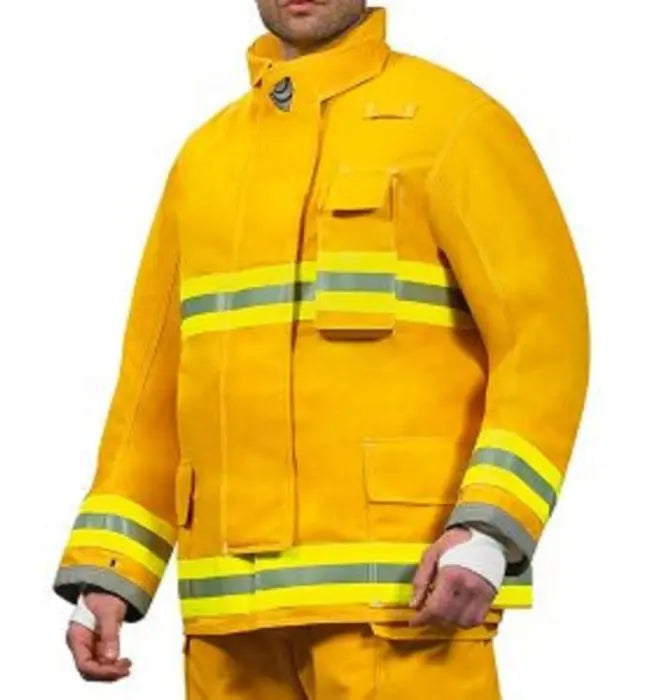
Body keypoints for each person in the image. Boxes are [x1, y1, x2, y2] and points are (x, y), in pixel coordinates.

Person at [53, 2, 590, 697]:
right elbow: (151, 386)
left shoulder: (454, 125)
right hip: (229, 622)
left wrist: (491, 529)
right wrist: (111, 570)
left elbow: (545, 344)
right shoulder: (205, 159)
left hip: (404, 600)